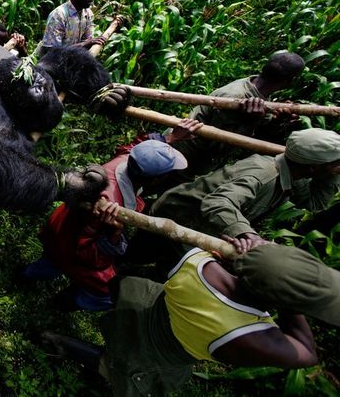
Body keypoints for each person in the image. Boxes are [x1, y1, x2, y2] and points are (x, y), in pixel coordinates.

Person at [44, 242, 338, 396]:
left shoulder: (199, 262)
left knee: (110, 299)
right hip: (156, 352)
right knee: (114, 366)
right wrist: (293, 304)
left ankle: (62, 301)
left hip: (141, 304)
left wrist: (261, 260)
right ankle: (57, 342)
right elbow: (308, 354)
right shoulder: (248, 337)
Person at [21, 123, 198, 311]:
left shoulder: (124, 162)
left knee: (48, 261)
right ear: (156, 179)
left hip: (59, 224)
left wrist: (169, 139)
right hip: (69, 245)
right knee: (106, 293)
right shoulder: (114, 207)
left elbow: (134, 147)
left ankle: (27, 275)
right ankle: (62, 303)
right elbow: (88, 256)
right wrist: (113, 235)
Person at [150, 128, 340, 251]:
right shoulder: (264, 175)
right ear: (314, 167)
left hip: (195, 223)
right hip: (175, 217)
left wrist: (333, 171)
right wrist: (247, 235)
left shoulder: (292, 173)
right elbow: (217, 202)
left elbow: (315, 203)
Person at [171, 52, 306, 179]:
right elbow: (220, 141)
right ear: (291, 81)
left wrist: (276, 118)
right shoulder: (235, 97)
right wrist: (252, 122)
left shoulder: (257, 86)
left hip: (191, 154)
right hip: (185, 152)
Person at [40, 0, 105, 53]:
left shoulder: (87, 13)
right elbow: (52, 52)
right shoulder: (59, 15)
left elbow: (87, 41)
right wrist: (85, 44)